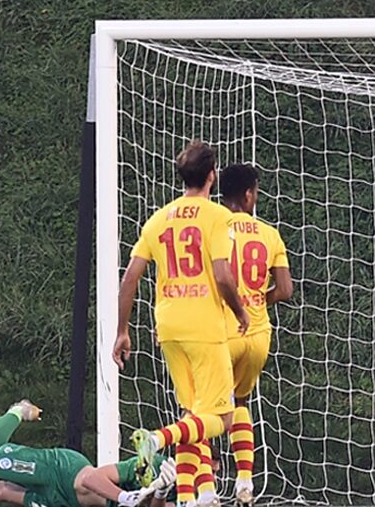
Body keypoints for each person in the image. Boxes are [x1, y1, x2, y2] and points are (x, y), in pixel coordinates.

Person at [113, 140, 249, 506]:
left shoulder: (158, 219)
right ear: (211, 176)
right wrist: (240, 312)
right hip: (204, 327)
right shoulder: (217, 216)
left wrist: (123, 331)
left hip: (169, 327)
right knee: (224, 417)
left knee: (193, 415)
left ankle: (195, 497)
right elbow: (222, 275)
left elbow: (130, 278)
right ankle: (157, 439)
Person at [191, 163, 292, 507]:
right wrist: (259, 299)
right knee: (240, 402)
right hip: (258, 335)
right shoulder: (270, 234)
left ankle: (206, 491)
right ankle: (244, 483)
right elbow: (285, 290)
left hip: (221, 334)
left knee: (199, 408)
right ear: (249, 194)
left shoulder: (212, 226)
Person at [0, 400, 176, 507]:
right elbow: (90, 479)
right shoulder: (158, 465)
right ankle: (18, 411)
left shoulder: (180, 497)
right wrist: (124, 496)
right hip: (61, 472)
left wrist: (161, 493)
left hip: (65, 503)